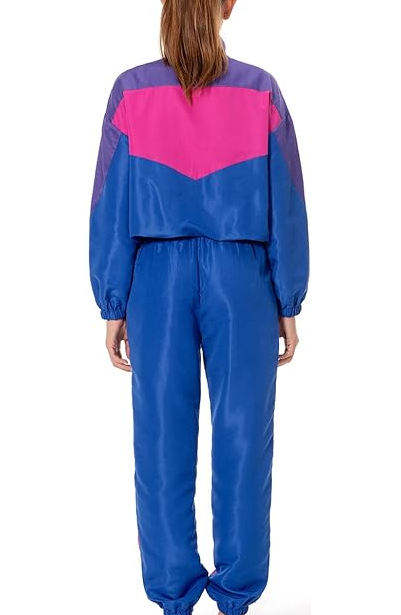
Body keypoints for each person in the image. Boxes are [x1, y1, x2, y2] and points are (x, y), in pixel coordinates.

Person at [89, 1, 309, 614]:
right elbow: (287, 200)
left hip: (155, 277)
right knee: (243, 435)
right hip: (243, 278)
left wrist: (113, 300)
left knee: (160, 436)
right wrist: (288, 297)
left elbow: (110, 200)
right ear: (228, 5)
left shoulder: (132, 91)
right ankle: (237, 593)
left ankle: (174, 593)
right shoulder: (260, 91)